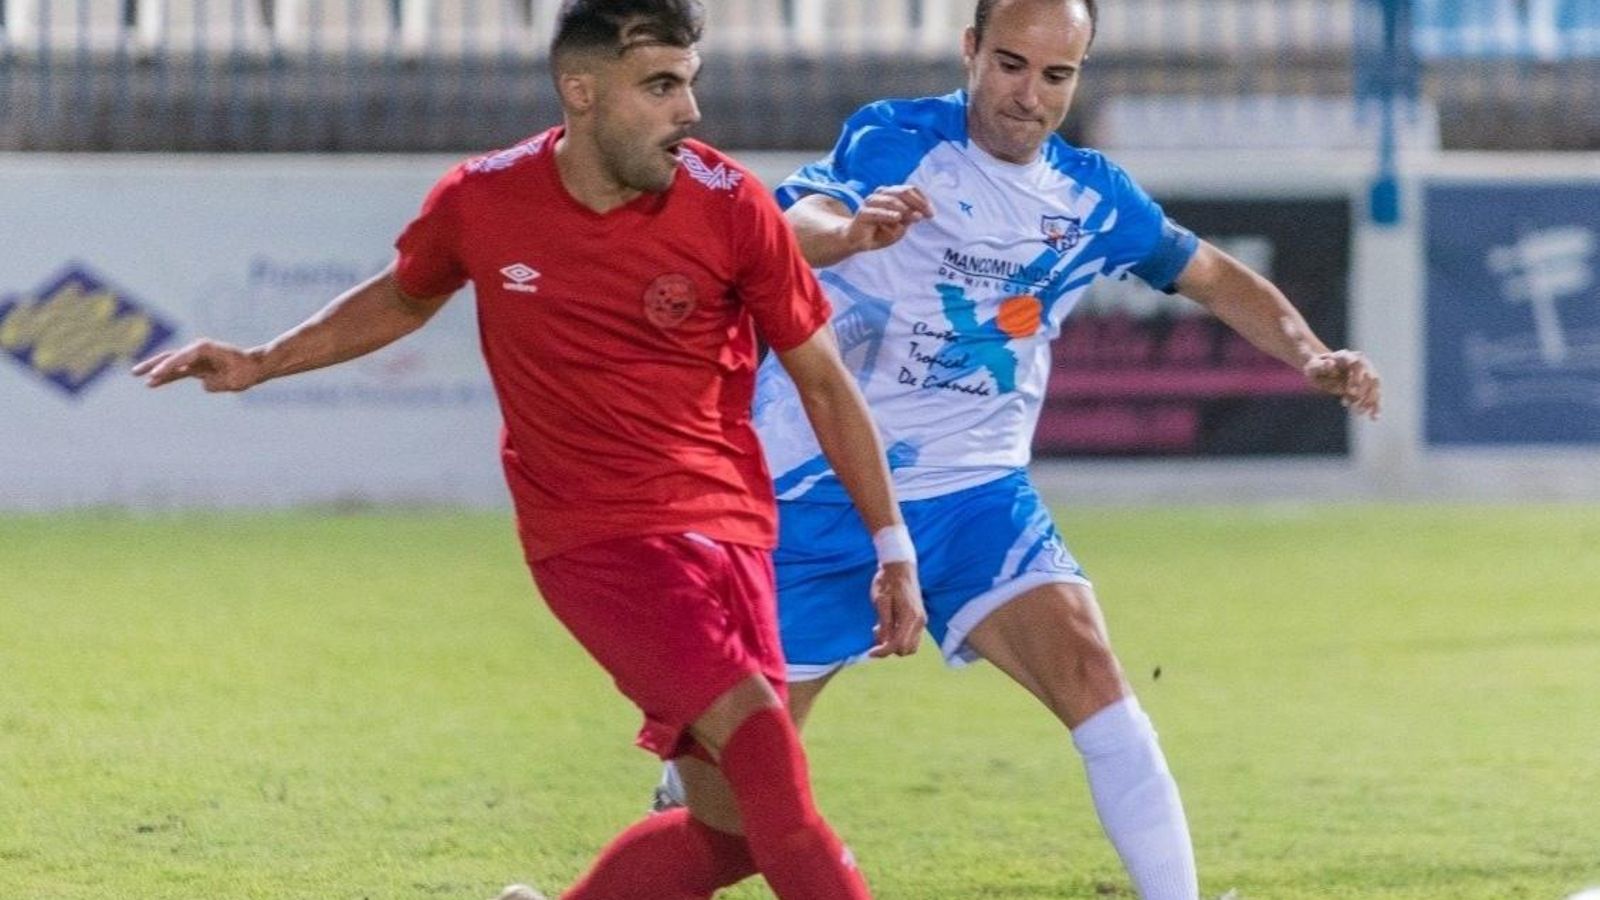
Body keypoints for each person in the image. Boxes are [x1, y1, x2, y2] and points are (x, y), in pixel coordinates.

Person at [132, 2, 929, 899]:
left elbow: (824, 381)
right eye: (660, 87)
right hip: (601, 543)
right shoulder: (484, 199)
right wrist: (263, 361)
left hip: (735, 536)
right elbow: (404, 296)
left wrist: (893, 547)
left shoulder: (732, 203)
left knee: (732, 832)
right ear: (580, 92)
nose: (689, 111)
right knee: (766, 762)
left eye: (689, 84)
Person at [652, 0, 1385, 897]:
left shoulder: (1094, 199)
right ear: (971, 50)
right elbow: (787, 225)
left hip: (976, 495)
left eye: (1055, 75)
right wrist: (847, 233)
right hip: (819, 489)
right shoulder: (896, 138)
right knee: (733, 797)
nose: (1028, 95)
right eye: (1009, 65)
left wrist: (1311, 354)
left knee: (1089, 669)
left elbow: (1215, 277)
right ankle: (651, 839)